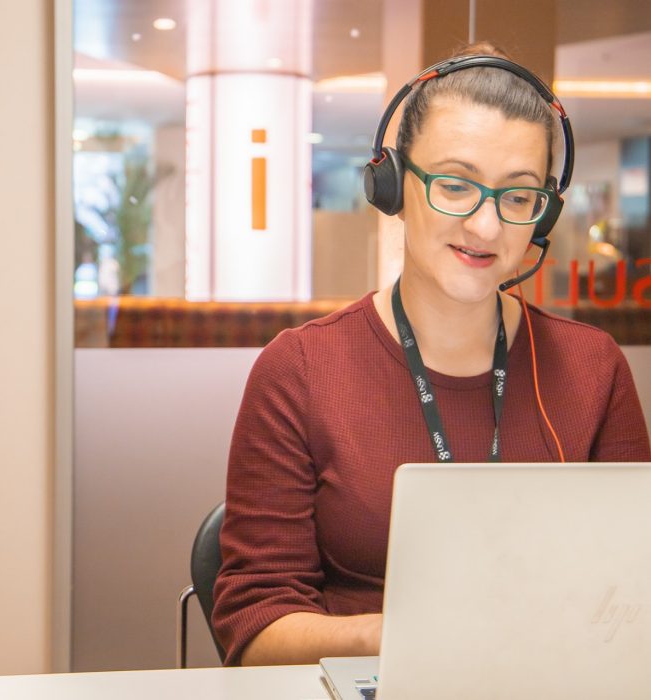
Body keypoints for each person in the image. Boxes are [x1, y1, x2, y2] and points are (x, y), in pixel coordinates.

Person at [211, 42, 651, 667]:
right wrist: (409, 635)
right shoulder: (300, 371)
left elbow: (635, 594)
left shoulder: (594, 369)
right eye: (454, 185)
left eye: (518, 196)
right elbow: (254, 631)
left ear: (543, 215)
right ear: (392, 185)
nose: (485, 227)